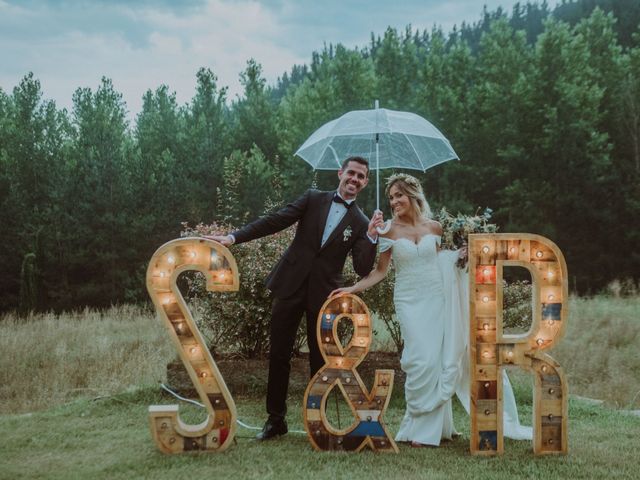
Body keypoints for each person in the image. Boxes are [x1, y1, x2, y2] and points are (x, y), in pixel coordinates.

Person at [331, 173, 531, 447]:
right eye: (390, 197)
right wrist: (351, 289)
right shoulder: (387, 230)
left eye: (398, 195)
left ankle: (433, 429)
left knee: (437, 361)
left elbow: (438, 261)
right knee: (420, 360)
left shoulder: (434, 228)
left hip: (436, 297)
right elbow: (379, 272)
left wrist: (457, 257)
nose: (394, 201)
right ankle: (420, 423)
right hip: (409, 301)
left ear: (413, 195)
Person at [207, 156, 382, 441]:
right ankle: (276, 420)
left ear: (365, 182)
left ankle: (318, 423)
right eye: (351, 173)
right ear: (340, 173)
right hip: (290, 286)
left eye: (361, 176)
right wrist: (233, 237)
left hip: (324, 295)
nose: (354, 179)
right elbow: (276, 220)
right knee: (278, 355)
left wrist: (372, 238)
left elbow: (363, 268)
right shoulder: (313, 199)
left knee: (319, 360)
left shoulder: (362, 222)